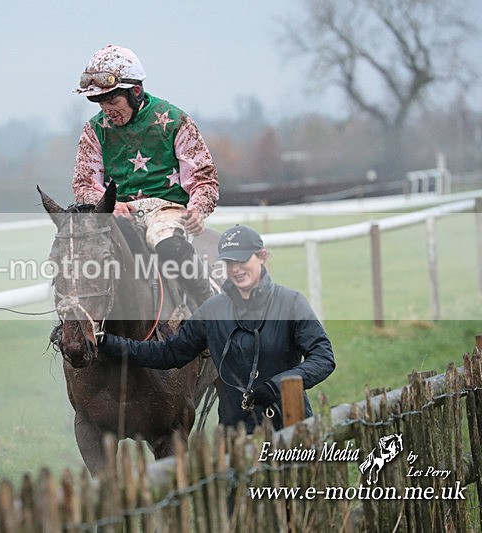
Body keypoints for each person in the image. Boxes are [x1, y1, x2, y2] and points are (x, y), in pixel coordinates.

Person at [97, 224, 335, 433]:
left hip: (291, 426)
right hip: (236, 434)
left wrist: (276, 386)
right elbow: (169, 353)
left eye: (242, 260)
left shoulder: (291, 302)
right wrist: (107, 342)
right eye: (229, 262)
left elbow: (324, 358)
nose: (236, 269)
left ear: (261, 256)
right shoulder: (213, 310)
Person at [71, 44, 220, 305]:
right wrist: (110, 205)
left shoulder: (175, 121)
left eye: (113, 101)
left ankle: (208, 306)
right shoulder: (94, 130)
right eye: (101, 103)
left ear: (135, 91)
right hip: (117, 212)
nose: (107, 110)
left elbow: (204, 179)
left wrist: (197, 210)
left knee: (165, 243)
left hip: (165, 211)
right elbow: (84, 184)